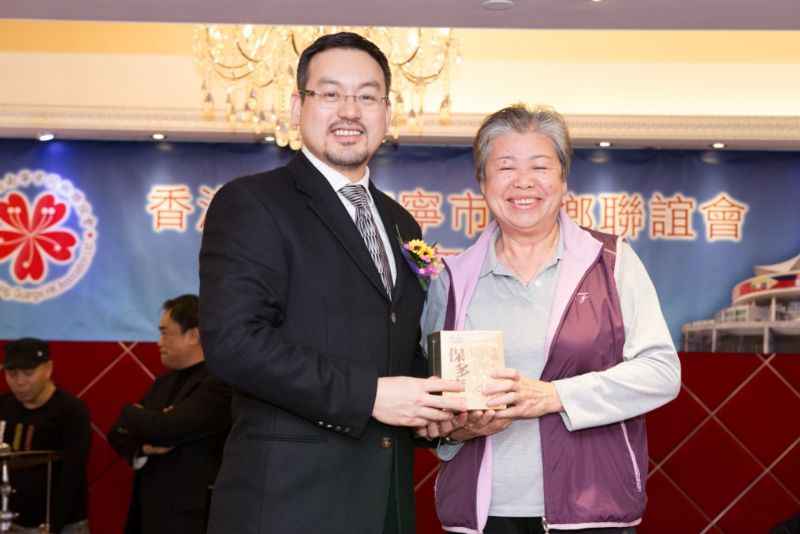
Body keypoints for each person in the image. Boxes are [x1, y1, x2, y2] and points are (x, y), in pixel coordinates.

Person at [199, 31, 466, 534]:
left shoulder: (401, 222)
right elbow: (234, 343)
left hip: (386, 505)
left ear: (387, 113)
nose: (350, 111)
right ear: (297, 106)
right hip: (288, 507)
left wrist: (442, 409)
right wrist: (370, 396)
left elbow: (396, 346)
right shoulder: (253, 202)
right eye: (330, 93)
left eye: (367, 96)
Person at [419, 104, 682, 534]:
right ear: (483, 182)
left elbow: (661, 372)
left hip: (592, 510)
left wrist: (554, 395)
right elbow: (431, 405)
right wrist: (457, 431)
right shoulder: (451, 279)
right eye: (505, 167)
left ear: (563, 180)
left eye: (540, 166)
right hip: (481, 517)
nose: (523, 181)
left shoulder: (611, 261)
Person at [108, 294, 231, 534]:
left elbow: (165, 430)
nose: (159, 343)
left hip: (190, 521)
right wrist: (145, 447)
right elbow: (117, 433)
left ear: (194, 335)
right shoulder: (162, 384)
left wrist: (131, 411)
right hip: (148, 516)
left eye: (165, 333)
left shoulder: (219, 384)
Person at [0, 338, 91, 534]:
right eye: (12, 374)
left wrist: (52, 526)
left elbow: (72, 475)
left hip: (64, 524)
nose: (20, 382)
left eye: (28, 373)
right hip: (12, 522)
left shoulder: (71, 410)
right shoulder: (3, 406)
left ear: (48, 369)